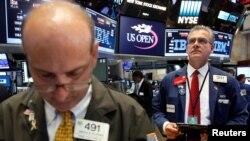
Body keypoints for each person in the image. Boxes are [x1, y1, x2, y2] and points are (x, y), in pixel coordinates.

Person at [0, 1, 153, 141]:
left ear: (93, 54)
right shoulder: (7, 116)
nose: (61, 96)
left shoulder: (131, 116)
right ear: (27, 57)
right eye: (45, 75)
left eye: (74, 73)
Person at [152, 25, 248, 140]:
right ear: (187, 48)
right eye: (192, 41)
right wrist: (165, 125)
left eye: (202, 41)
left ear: (212, 48)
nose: (196, 44)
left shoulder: (228, 81)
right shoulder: (169, 80)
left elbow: (241, 116)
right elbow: (157, 110)